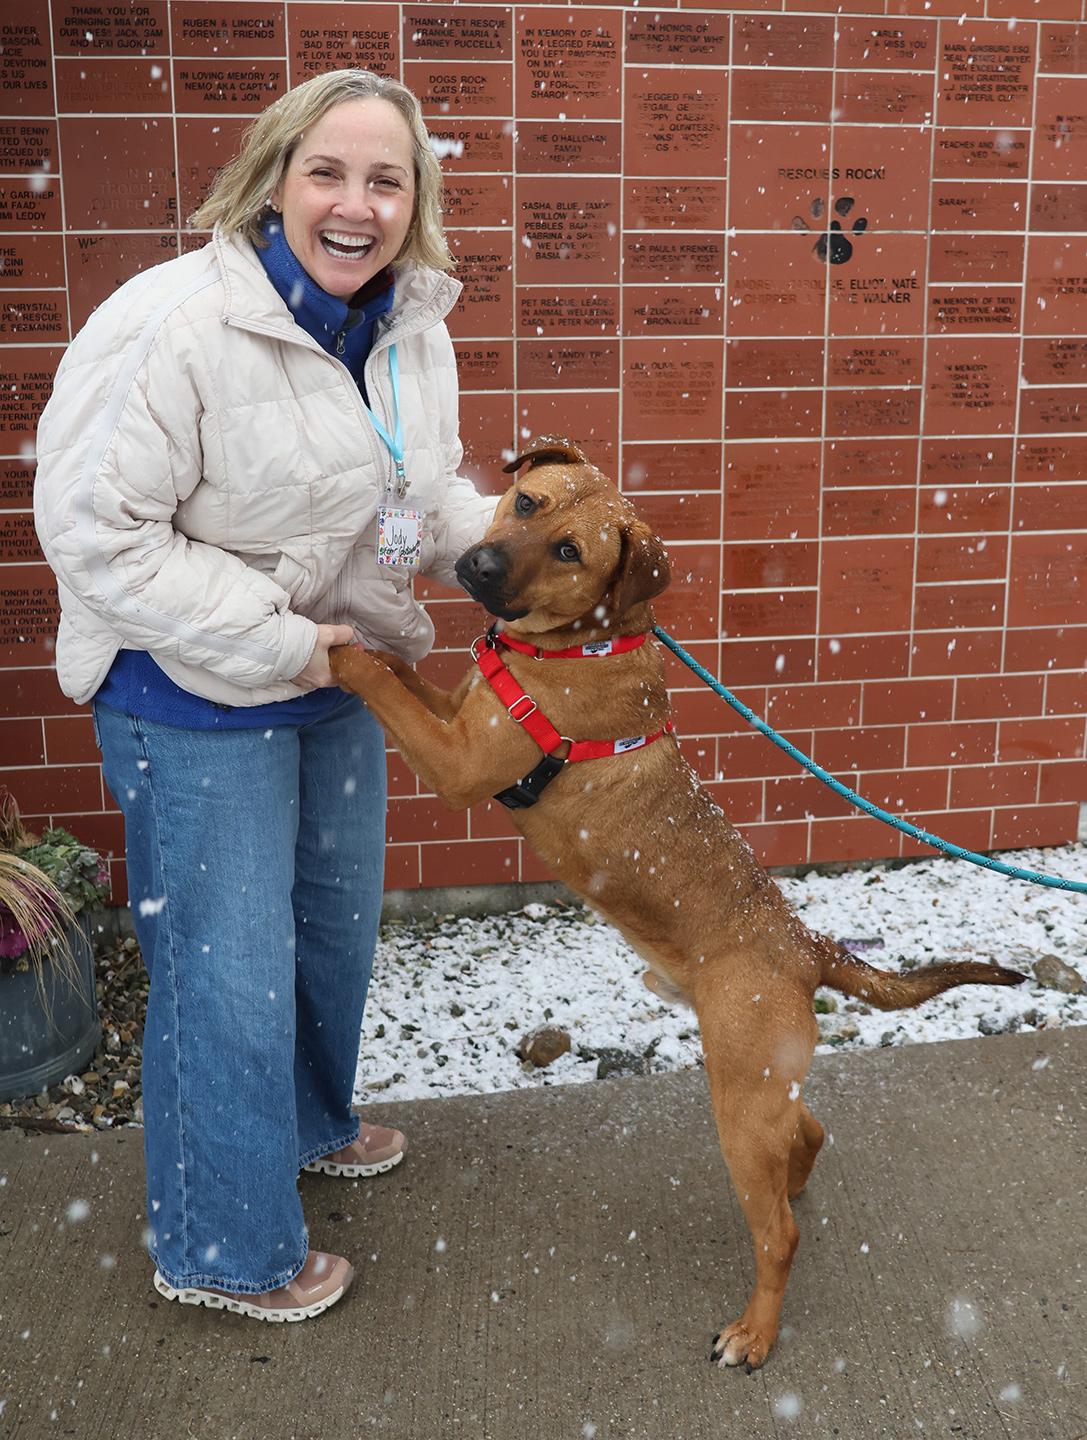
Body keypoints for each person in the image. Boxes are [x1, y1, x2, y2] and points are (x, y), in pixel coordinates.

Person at [33, 69, 495, 1322]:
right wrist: (285, 640)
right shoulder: (171, 322)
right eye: (327, 172)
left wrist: (513, 549)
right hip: (190, 688)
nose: (357, 205)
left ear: (416, 200)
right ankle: (219, 1245)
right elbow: (98, 537)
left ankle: (300, 1125)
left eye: (386, 180)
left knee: (330, 936)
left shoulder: (408, 323)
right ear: (272, 178)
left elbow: (414, 497)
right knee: (224, 972)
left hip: (338, 675)